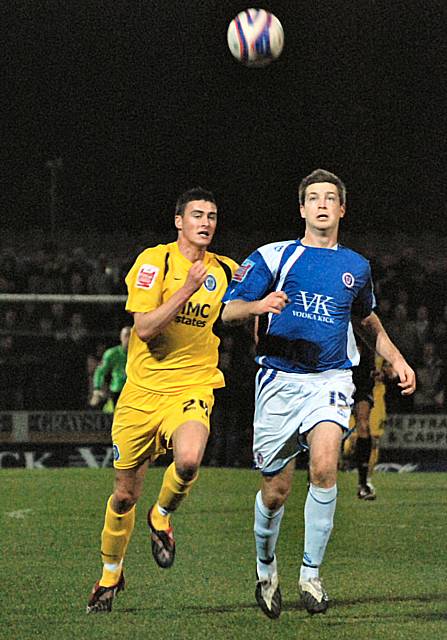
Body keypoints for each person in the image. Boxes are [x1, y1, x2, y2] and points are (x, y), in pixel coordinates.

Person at [221, 168, 416, 618]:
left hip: (329, 379)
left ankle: (311, 575)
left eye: (331, 197)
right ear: (302, 208)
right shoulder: (273, 257)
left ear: (342, 209)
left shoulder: (356, 267)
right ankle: (265, 568)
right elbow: (229, 311)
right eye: (314, 197)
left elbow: (367, 323)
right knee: (276, 490)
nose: (323, 204)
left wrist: (397, 358)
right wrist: (259, 304)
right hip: (279, 381)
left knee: (326, 467)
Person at [87, 187, 238, 613]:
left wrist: (260, 303)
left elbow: (232, 310)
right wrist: (186, 289)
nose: (206, 222)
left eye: (212, 215)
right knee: (123, 495)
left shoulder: (225, 269)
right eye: (197, 215)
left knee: (189, 459)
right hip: (140, 395)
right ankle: (110, 576)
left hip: (192, 387)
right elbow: (146, 327)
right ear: (179, 221)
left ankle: (162, 515)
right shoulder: (155, 261)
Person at [344, 341, 392, 500]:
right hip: (340, 379)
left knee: (365, 428)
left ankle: (364, 482)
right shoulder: (338, 324)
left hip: (364, 383)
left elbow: (390, 368)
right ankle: (317, 479)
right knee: (345, 443)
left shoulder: (373, 336)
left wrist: (385, 373)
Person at [89, 326, 131, 411]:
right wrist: (97, 389)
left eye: (131, 335)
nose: (129, 338)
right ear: (121, 337)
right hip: (117, 391)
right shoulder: (112, 353)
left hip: (135, 392)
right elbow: (100, 372)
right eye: (126, 335)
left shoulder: (141, 353)